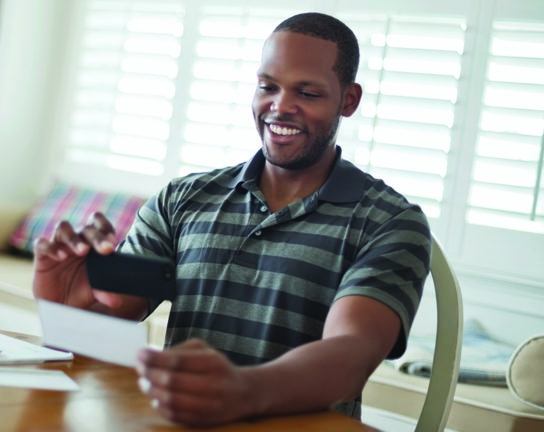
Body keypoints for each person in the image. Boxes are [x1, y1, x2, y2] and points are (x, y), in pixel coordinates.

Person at [33, 11, 431, 427]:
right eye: (267, 87)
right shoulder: (183, 200)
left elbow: (351, 354)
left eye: (307, 93)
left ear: (348, 100)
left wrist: (243, 392)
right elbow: (111, 317)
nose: (280, 107)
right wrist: (67, 309)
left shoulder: (389, 223)